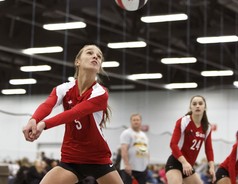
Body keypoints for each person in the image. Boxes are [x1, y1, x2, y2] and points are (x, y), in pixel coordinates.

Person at [22, 44, 123, 184]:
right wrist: (33, 119)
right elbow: (48, 104)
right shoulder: (64, 88)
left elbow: (74, 113)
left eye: (99, 56)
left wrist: (44, 124)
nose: (95, 56)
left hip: (97, 158)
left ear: (99, 67)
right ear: (78, 61)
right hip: (71, 158)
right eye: (89, 53)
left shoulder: (100, 93)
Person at [165, 95, 216, 184]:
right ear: (190, 107)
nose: (197, 106)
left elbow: (209, 149)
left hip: (189, 167)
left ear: (205, 107)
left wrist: (212, 167)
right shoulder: (184, 121)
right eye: (194, 104)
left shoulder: (207, 127)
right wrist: (184, 162)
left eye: (200, 103)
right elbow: (173, 144)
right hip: (176, 163)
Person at [120, 113, 149, 184]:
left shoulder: (144, 135)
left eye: (138, 120)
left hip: (142, 168)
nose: (136, 121)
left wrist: (147, 164)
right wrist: (126, 165)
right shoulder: (126, 133)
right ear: (131, 121)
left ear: (141, 121)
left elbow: (146, 150)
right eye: (134, 120)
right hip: (129, 168)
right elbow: (124, 149)